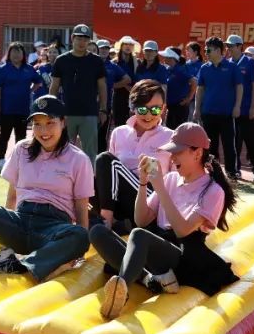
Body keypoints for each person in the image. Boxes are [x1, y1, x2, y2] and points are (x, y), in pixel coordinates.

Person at [90, 122, 239, 320]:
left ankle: (121, 290)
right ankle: (151, 280)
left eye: (178, 152)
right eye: (171, 152)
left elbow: (183, 231)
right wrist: (143, 183)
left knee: (139, 235)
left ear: (197, 153)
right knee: (98, 232)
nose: (173, 158)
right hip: (157, 248)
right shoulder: (170, 179)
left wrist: (159, 187)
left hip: (184, 256)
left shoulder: (213, 191)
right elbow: (141, 219)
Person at [0, 95, 92, 282]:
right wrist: (4, 236)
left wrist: (79, 250)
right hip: (19, 221)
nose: (43, 131)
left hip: (52, 229)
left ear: (63, 122)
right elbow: (12, 196)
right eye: (37, 124)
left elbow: (81, 208)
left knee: (80, 235)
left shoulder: (79, 159)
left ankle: (19, 265)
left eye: (50, 123)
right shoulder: (22, 149)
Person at [94, 80, 175, 230]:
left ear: (163, 108)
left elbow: (177, 181)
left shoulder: (171, 137)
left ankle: (106, 223)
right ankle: (119, 223)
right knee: (90, 178)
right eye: (142, 109)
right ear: (133, 107)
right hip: (119, 199)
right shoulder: (119, 132)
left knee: (105, 159)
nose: (149, 115)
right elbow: (108, 176)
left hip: (151, 199)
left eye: (155, 109)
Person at [49, 24, 108, 163]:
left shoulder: (96, 61)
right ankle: (63, 177)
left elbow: (102, 87)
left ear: (89, 41)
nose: (82, 42)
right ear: (72, 38)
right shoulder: (61, 60)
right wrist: (52, 109)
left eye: (85, 39)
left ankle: (90, 177)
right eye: (79, 38)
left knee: (90, 153)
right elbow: (54, 87)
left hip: (89, 114)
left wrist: (103, 109)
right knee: (63, 151)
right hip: (67, 113)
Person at [194, 36, 243, 178]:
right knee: (210, 145)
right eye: (205, 50)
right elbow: (200, 89)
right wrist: (197, 108)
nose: (206, 53)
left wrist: (237, 106)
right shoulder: (204, 68)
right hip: (208, 112)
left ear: (218, 50)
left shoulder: (232, 67)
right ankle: (213, 172)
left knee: (229, 144)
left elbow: (239, 87)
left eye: (208, 50)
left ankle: (231, 172)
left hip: (226, 113)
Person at [0, 41, 42, 172]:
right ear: (9, 54)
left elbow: (38, 82)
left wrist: (30, 91)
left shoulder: (29, 69)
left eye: (18, 52)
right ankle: (0, 159)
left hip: (23, 109)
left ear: (23, 54)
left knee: (21, 136)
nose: (16, 55)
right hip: (6, 109)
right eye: (13, 52)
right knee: (4, 135)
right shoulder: (3, 69)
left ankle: (19, 161)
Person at [228, 34, 254, 182]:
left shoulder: (250, 62)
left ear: (240, 46)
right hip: (232, 110)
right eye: (227, 46)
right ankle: (236, 169)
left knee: (251, 140)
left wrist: (253, 106)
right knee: (235, 141)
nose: (228, 48)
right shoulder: (228, 63)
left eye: (231, 46)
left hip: (247, 108)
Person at [96, 38, 130, 152]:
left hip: (105, 106)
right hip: (89, 106)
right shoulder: (90, 64)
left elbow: (127, 79)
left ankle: (99, 160)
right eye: (101, 48)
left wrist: (112, 86)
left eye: (106, 48)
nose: (104, 50)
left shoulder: (112, 66)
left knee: (102, 136)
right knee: (88, 136)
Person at [159, 47, 196, 130]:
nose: (164, 58)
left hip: (180, 107)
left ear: (172, 58)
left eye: (166, 56)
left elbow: (194, 81)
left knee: (179, 132)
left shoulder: (180, 70)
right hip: (170, 108)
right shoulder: (168, 69)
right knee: (170, 131)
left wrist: (188, 98)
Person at [112, 36, 139, 125]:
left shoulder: (137, 62)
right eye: (126, 44)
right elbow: (111, 82)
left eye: (130, 44)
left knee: (133, 124)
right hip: (118, 96)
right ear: (121, 46)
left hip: (134, 97)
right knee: (119, 124)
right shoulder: (114, 62)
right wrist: (125, 85)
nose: (128, 46)